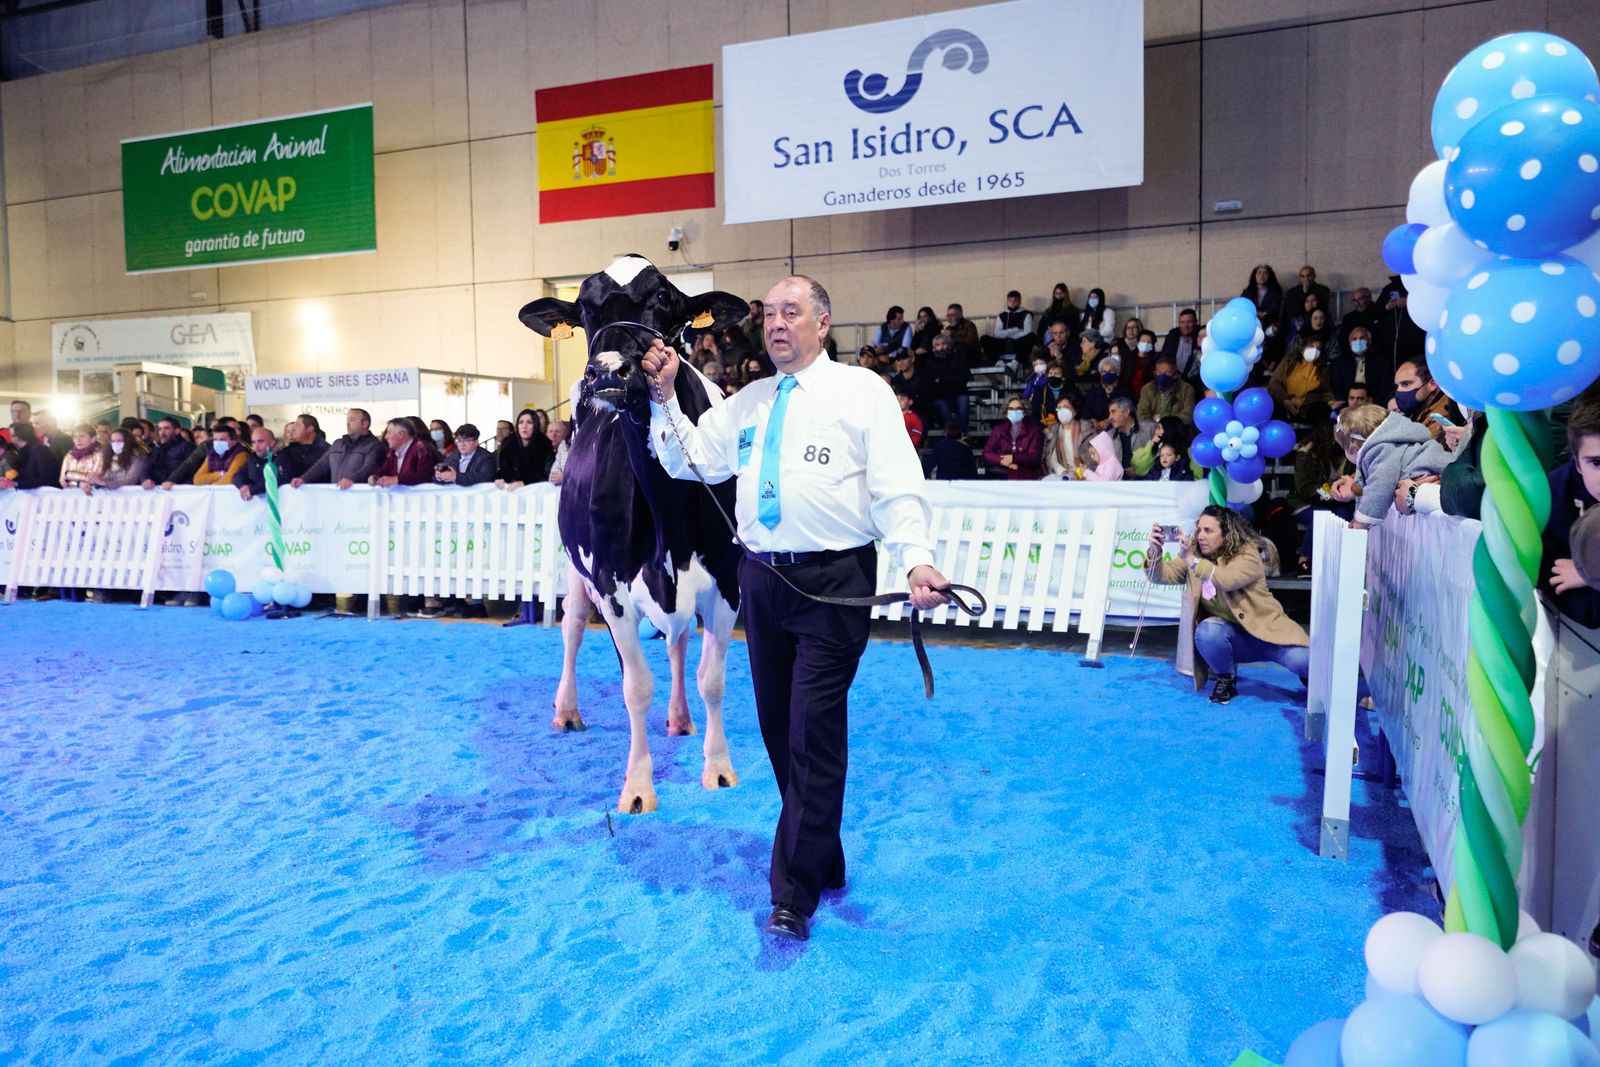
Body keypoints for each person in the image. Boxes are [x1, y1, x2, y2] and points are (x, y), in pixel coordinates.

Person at [640, 273, 950, 943]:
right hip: (762, 581)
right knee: (780, 730)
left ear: (823, 323)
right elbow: (686, 460)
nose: (777, 322)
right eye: (770, 314)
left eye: (792, 311)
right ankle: (824, 852)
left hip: (836, 579)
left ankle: (792, 894)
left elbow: (899, 486)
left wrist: (917, 557)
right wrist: (664, 398)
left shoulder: (862, 393)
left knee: (812, 726)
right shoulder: (748, 401)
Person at [1146, 506, 1310, 704]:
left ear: (1226, 533)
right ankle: (1226, 678)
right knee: (1207, 631)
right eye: (1199, 530)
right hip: (1234, 638)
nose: (1200, 536)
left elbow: (1225, 579)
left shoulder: (1247, 554)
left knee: (1304, 662)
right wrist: (1155, 551)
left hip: (1268, 634)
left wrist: (1191, 559)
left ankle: (1310, 678)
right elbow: (1162, 576)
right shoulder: (1196, 556)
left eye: (1208, 531)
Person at [1330, 403, 1454, 528]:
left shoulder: (1382, 450)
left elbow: (1379, 486)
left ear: (1352, 448)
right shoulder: (1392, 443)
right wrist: (1355, 488)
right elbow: (1369, 480)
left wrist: (1362, 521)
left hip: (1441, 478)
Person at [1542, 397, 1600, 626]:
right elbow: (1589, 613)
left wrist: (1589, 574)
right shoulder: (1557, 493)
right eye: (1596, 463)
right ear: (1577, 464)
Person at [1285, 420, 1355, 573]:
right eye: (1339, 436)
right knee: (1322, 517)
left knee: (1344, 515)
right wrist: (1331, 494)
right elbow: (1305, 489)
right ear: (1330, 436)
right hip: (1303, 502)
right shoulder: (1308, 453)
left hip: (1336, 503)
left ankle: (1340, 563)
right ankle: (1304, 561)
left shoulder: (1350, 452)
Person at [292, 408, 386, 489]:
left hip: (359, 497)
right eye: (347, 420)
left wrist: (351, 480)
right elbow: (321, 465)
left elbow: (368, 468)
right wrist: (303, 479)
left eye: (352, 420)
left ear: (365, 424)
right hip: (337, 495)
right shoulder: (338, 443)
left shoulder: (374, 446)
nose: (348, 424)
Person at [1267, 335, 1336, 420]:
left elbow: (1325, 391)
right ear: (1303, 349)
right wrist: (1285, 400)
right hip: (1284, 404)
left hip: (1307, 408)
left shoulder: (1323, 369)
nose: (1314, 351)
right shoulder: (1289, 362)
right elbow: (1273, 383)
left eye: (1318, 349)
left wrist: (1332, 402)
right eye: (1311, 347)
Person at [1391, 358, 1459, 443]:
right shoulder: (1419, 411)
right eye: (1397, 386)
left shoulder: (1442, 417)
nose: (1399, 391)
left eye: (1406, 384)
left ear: (1433, 384)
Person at [1328, 326, 1392, 409]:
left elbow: (1385, 385)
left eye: (1362, 338)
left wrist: (1373, 402)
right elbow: (1336, 386)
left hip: (1374, 405)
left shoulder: (1382, 361)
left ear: (1369, 341)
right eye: (1354, 339)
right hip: (1347, 405)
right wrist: (1347, 403)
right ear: (1350, 343)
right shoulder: (1339, 363)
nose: (1358, 341)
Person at [984, 395, 1044, 479]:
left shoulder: (1034, 431)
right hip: (1003, 473)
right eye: (1011, 409)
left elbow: (1034, 457)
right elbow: (987, 453)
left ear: (1024, 411)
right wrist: (1002, 461)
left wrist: (1013, 458)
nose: (1014, 411)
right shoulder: (998, 430)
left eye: (1018, 408)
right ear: (1007, 411)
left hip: (1027, 475)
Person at [495, 407, 553, 489]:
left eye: (529, 422)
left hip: (535, 490)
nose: (524, 426)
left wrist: (525, 483)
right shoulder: (508, 443)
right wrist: (499, 479)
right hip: (511, 489)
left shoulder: (545, 444)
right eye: (521, 422)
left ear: (535, 425)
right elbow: (503, 470)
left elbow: (546, 474)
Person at [925, 333, 971, 432]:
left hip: (958, 394)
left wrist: (941, 380)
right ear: (934, 348)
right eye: (938, 345)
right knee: (941, 405)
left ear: (950, 345)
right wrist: (949, 378)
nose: (941, 347)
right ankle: (952, 434)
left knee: (964, 400)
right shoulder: (930, 362)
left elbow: (962, 379)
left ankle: (963, 433)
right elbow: (931, 384)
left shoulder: (959, 359)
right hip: (940, 397)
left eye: (944, 344)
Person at [1136, 353, 1197, 426]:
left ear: (1175, 375)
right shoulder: (1147, 389)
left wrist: (1159, 419)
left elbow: (1187, 416)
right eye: (1160, 373)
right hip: (1153, 430)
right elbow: (1142, 415)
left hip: (1176, 431)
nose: (1163, 376)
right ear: (1155, 373)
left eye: (1168, 373)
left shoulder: (1187, 389)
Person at [981, 290, 1036, 365]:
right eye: (1010, 300)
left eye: (1015, 300)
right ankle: (999, 362)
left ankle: (1015, 362)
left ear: (1019, 301)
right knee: (984, 339)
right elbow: (997, 334)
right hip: (1003, 343)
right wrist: (1015, 330)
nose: (1012, 303)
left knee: (1032, 337)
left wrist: (1008, 335)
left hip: (1018, 343)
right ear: (1007, 301)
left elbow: (1027, 333)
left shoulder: (1026, 315)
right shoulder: (1001, 316)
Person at [1080, 355, 1133, 430]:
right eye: (1104, 372)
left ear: (1117, 372)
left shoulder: (1125, 391)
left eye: (1111, 371)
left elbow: (1128, 413)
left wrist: (1109, 421)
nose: (1107, 374)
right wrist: (1092, 421)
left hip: (1119, 429)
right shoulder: (1093, 393)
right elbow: (1085, 413)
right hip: (1096, 430)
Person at [435, 422, 496, 487]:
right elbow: (439, 478)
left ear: (476, 442)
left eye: (467, 441)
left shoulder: (487, 458)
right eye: (459, 441)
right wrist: (439, 476)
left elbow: (485, 478)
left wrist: (456, 477)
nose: (462, 444)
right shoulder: (452, 456)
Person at [1279, 265, 1331, 338]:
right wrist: (1305, 293)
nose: (1306, 279)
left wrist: (1307, 292)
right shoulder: (1292, 292)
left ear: (1314, 276)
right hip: (1299, 321)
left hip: (1318, 319)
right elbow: (1291, 310)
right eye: (1302, 276)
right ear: (1299, 278)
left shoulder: (1323, 290)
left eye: (1308, 275)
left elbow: (1323, 307)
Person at [275, 413, 330, 482]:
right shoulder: (287, 451)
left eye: (298, 425)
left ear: (310, 429)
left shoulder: (327, 451)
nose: (294, 429)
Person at [1103, 397, 1151, 469]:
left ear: (1126, 413)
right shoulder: (1109, 436)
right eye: (1109, 413)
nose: (1110, 417)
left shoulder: (1149, 428)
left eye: (1113, 412)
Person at [58, 424, 107, 493]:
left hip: (94, 494)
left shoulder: (100, 454)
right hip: (71, 495)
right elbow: (62, 480)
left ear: (93, 439)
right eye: (75, 437)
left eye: (82, 436)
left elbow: (94, 478)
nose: (78, 440)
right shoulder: (69, 455)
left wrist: (69, 474)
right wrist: (79, 484)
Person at [234, 427, 279, 500]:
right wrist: (242, 486)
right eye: (253, 442)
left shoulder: (281, 457)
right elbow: (238, 475)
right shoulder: (253, 458)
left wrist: (252, 491)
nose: (256, 447)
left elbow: (274, 479)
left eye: (260, 441)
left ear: (272, 442)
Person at [1159, 308, 1201, 382]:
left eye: (1189, 322)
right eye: (1182, 322)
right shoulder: (1173, 336)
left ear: (1196, 322)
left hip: (1195, 382)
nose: (1186, 326)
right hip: (1173, 381)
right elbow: (1165, 357)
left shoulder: (1200, 336)